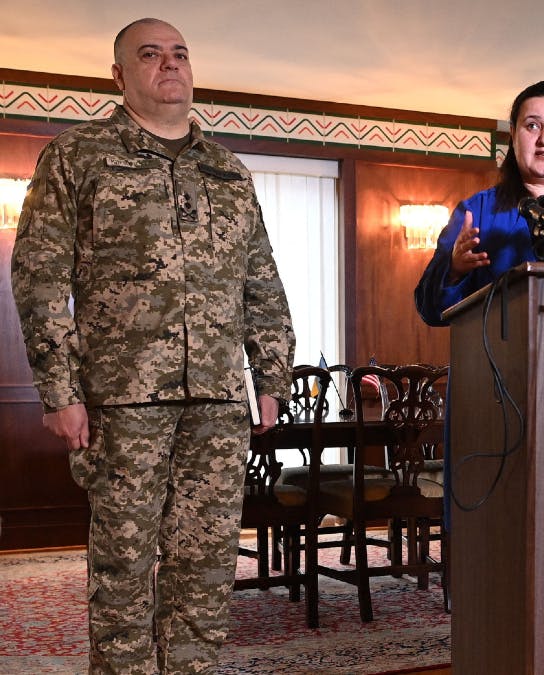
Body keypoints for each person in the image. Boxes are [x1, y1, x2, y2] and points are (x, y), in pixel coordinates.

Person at [10, 18, 295, 674]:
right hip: (122, 404)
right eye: (150, 54)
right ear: (120, 75)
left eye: (179, 54)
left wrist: (271, 375)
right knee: (124, 574)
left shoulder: (228, 172)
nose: (169, 65)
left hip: (219, 407)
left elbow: (262, 281)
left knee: (204, 571)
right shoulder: (78, 158)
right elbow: (40, 273)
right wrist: (60, 387)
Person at [414, 80, 544, 325]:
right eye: (532, 126)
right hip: (500, 359)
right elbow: (429, 309)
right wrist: (454, 270)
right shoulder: (476, 212)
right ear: (512, 134)